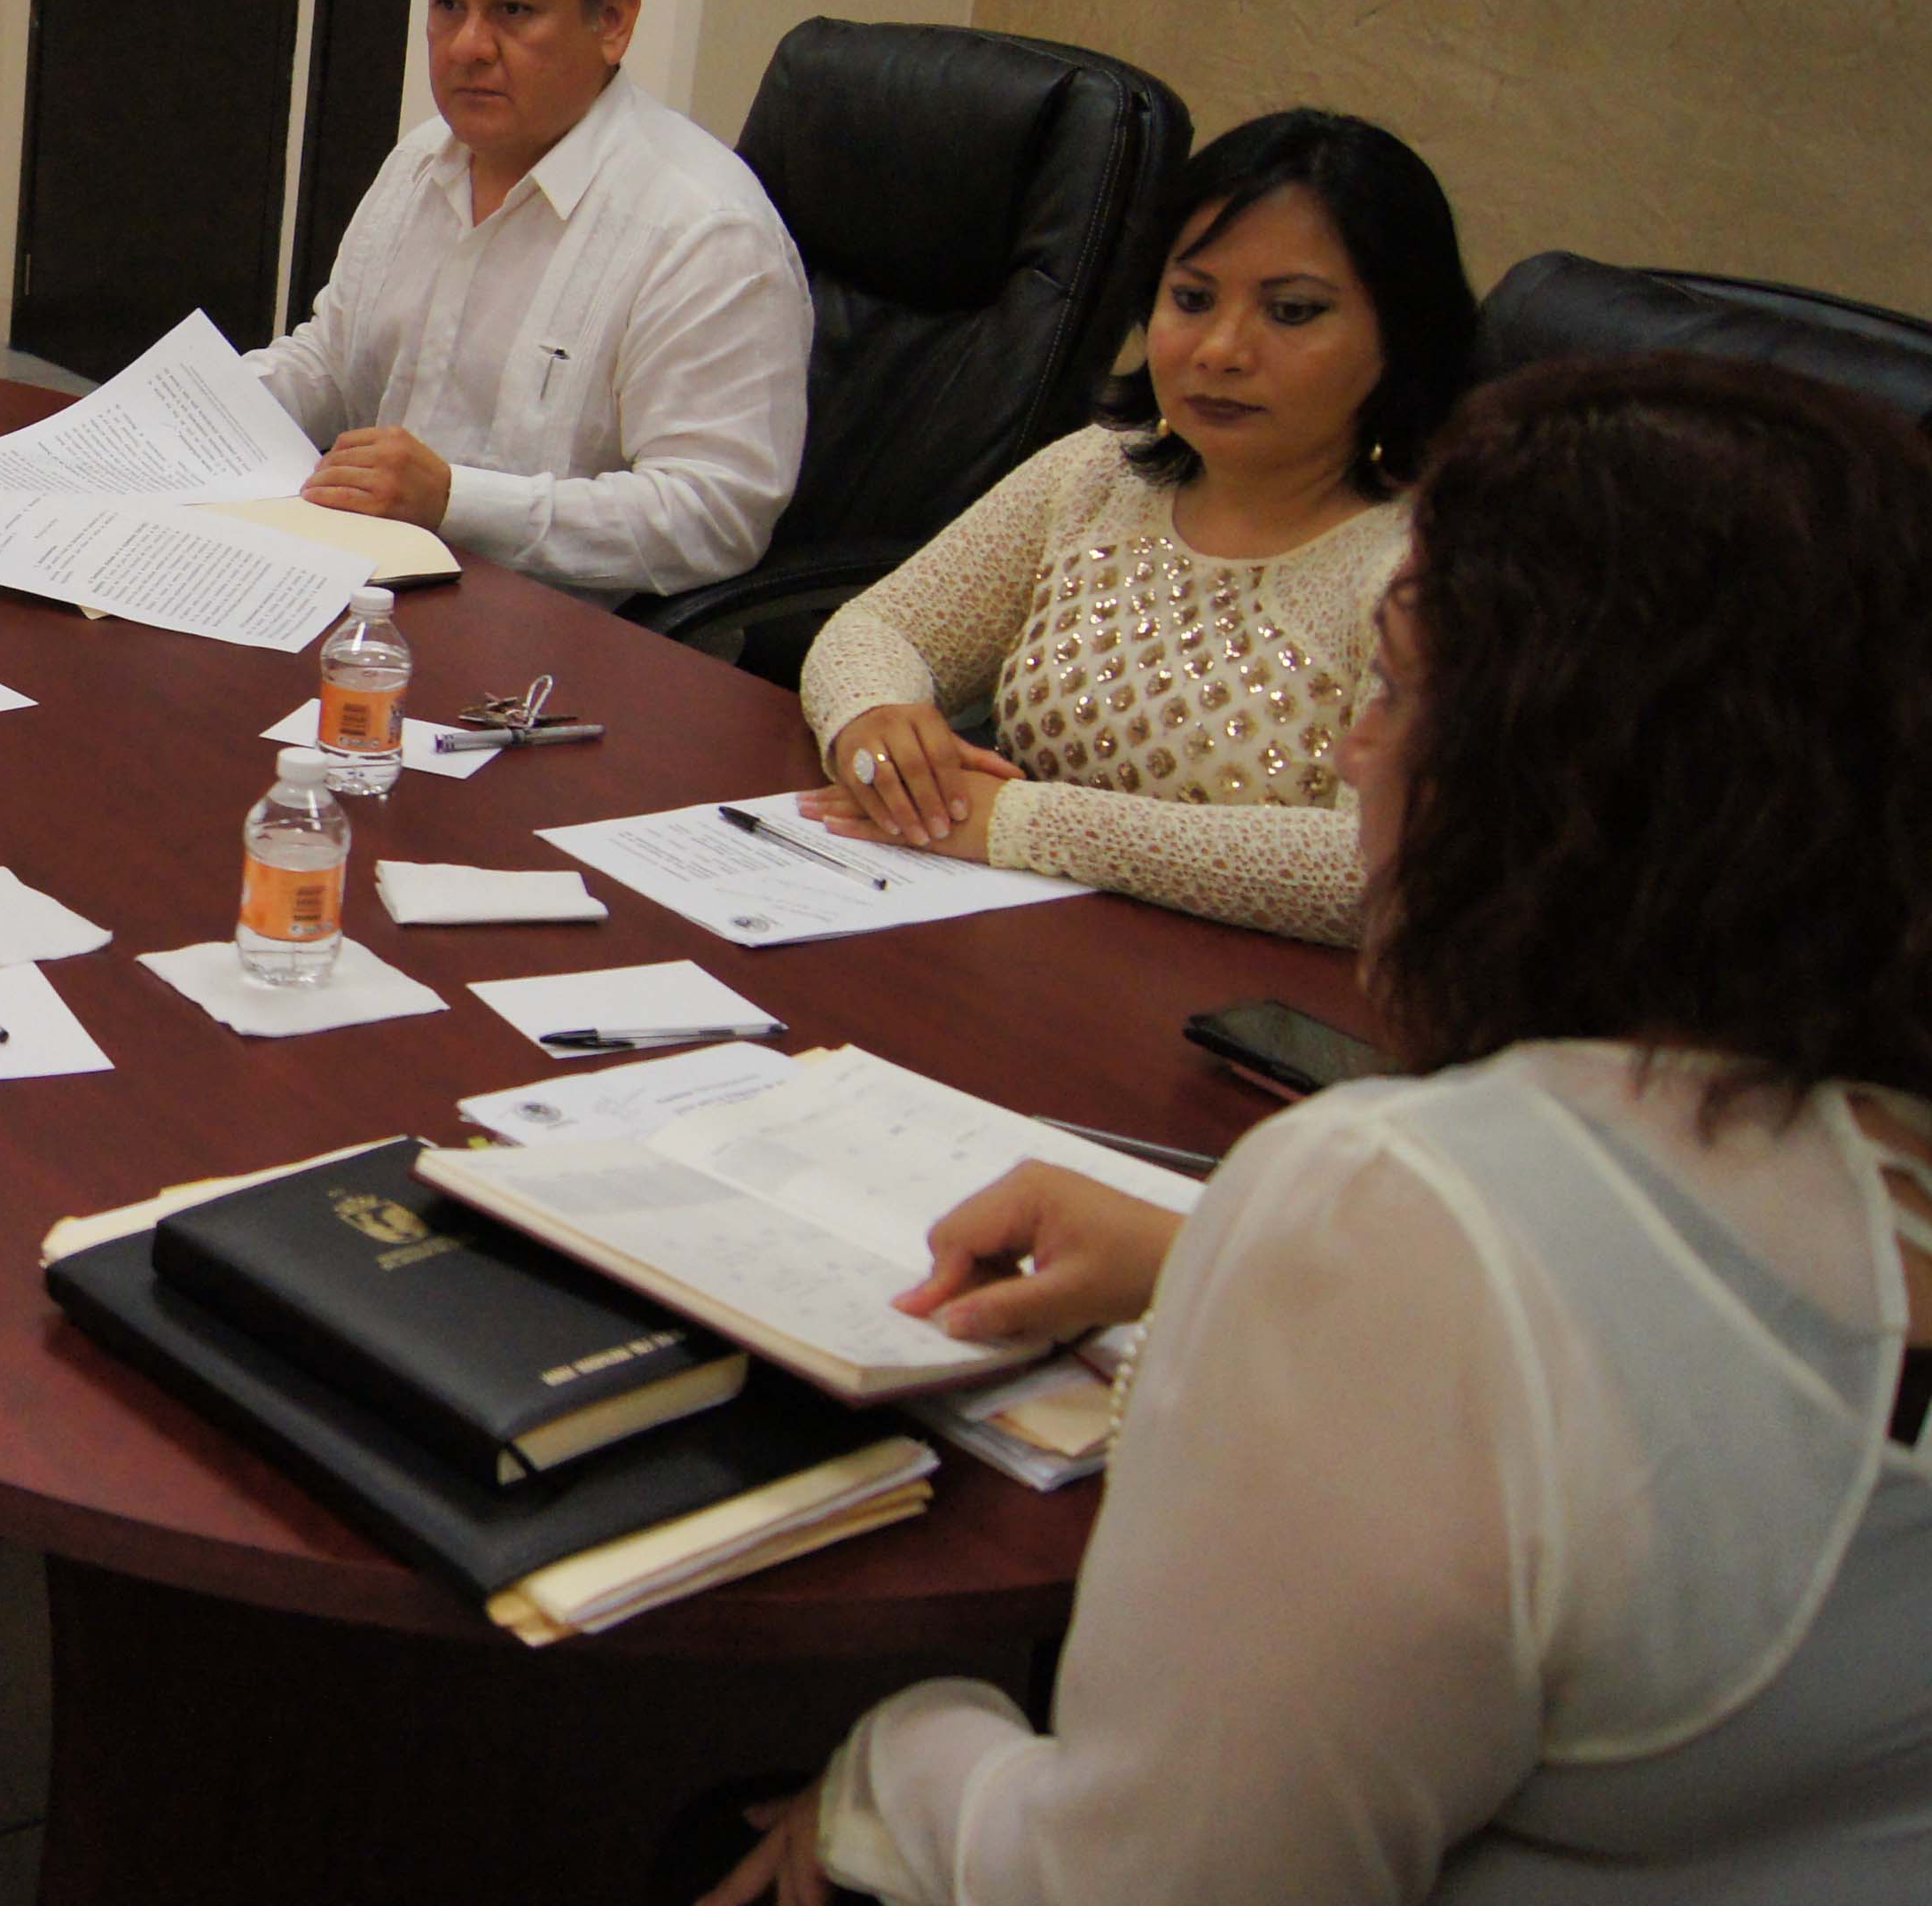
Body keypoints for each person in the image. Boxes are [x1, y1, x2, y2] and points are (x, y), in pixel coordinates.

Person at [704, 353, 1932, 1905]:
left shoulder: (1396, 1206)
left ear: (1562, 782)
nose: (1357, 753)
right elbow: (1712, 1382)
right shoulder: (1869, 1138)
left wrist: (887, 1765)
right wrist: (1204, 1247)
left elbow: (1146, 1887)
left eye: (1400, 693)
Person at [794, 110, 1477, 942]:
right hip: (1005, 939)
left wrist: (1019, 822)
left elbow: (1375, 867)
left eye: (1292, 311)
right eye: (1191, 298)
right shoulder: (1102, 470)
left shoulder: (1433, 563)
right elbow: (880, 627)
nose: (1220, 349)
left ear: (1404, 335)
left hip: (1249, 989)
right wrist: (874, 721)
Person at [246, 0, 810, 599]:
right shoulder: (422, 159)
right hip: (372, 585)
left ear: (613, 20)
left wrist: (456, 501)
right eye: (448, 5)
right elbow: (334, 364)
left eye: (514, 10)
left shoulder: (704, 229)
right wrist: (196, 408)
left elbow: (712, 516)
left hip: (563, 636)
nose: (469, 47)